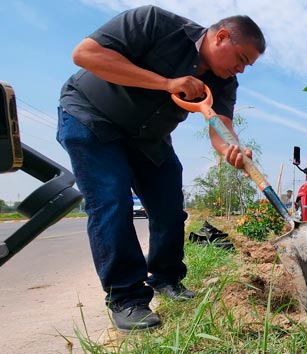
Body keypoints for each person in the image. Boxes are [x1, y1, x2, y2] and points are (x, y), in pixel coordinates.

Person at [57, 5, 265, 331]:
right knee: (112, 202)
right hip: (92, 118)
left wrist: (231, 149)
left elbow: (220, 128)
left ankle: (167, 279)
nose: (240, 69)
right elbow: (85, 54)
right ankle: (127, 299)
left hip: (149, 138)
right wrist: (167, 83)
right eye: (240, 59)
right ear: (221, 37)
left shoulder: (224, 82)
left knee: (169, 205)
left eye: (247, 66)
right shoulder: (154, 22)